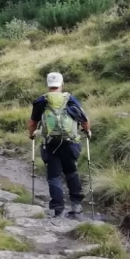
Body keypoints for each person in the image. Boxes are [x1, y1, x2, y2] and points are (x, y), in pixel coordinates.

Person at [27, 72, 92, 218]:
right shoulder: (70, 99)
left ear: (48, 85)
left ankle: (57, 208)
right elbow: (84, 120)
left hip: (51, 144)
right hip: (70, 143)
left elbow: (32, 123)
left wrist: (31, 134)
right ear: (62, 84)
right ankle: (76, 205)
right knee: (71, 172)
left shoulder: (41, 101)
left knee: (54, 176)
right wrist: (87, 131)